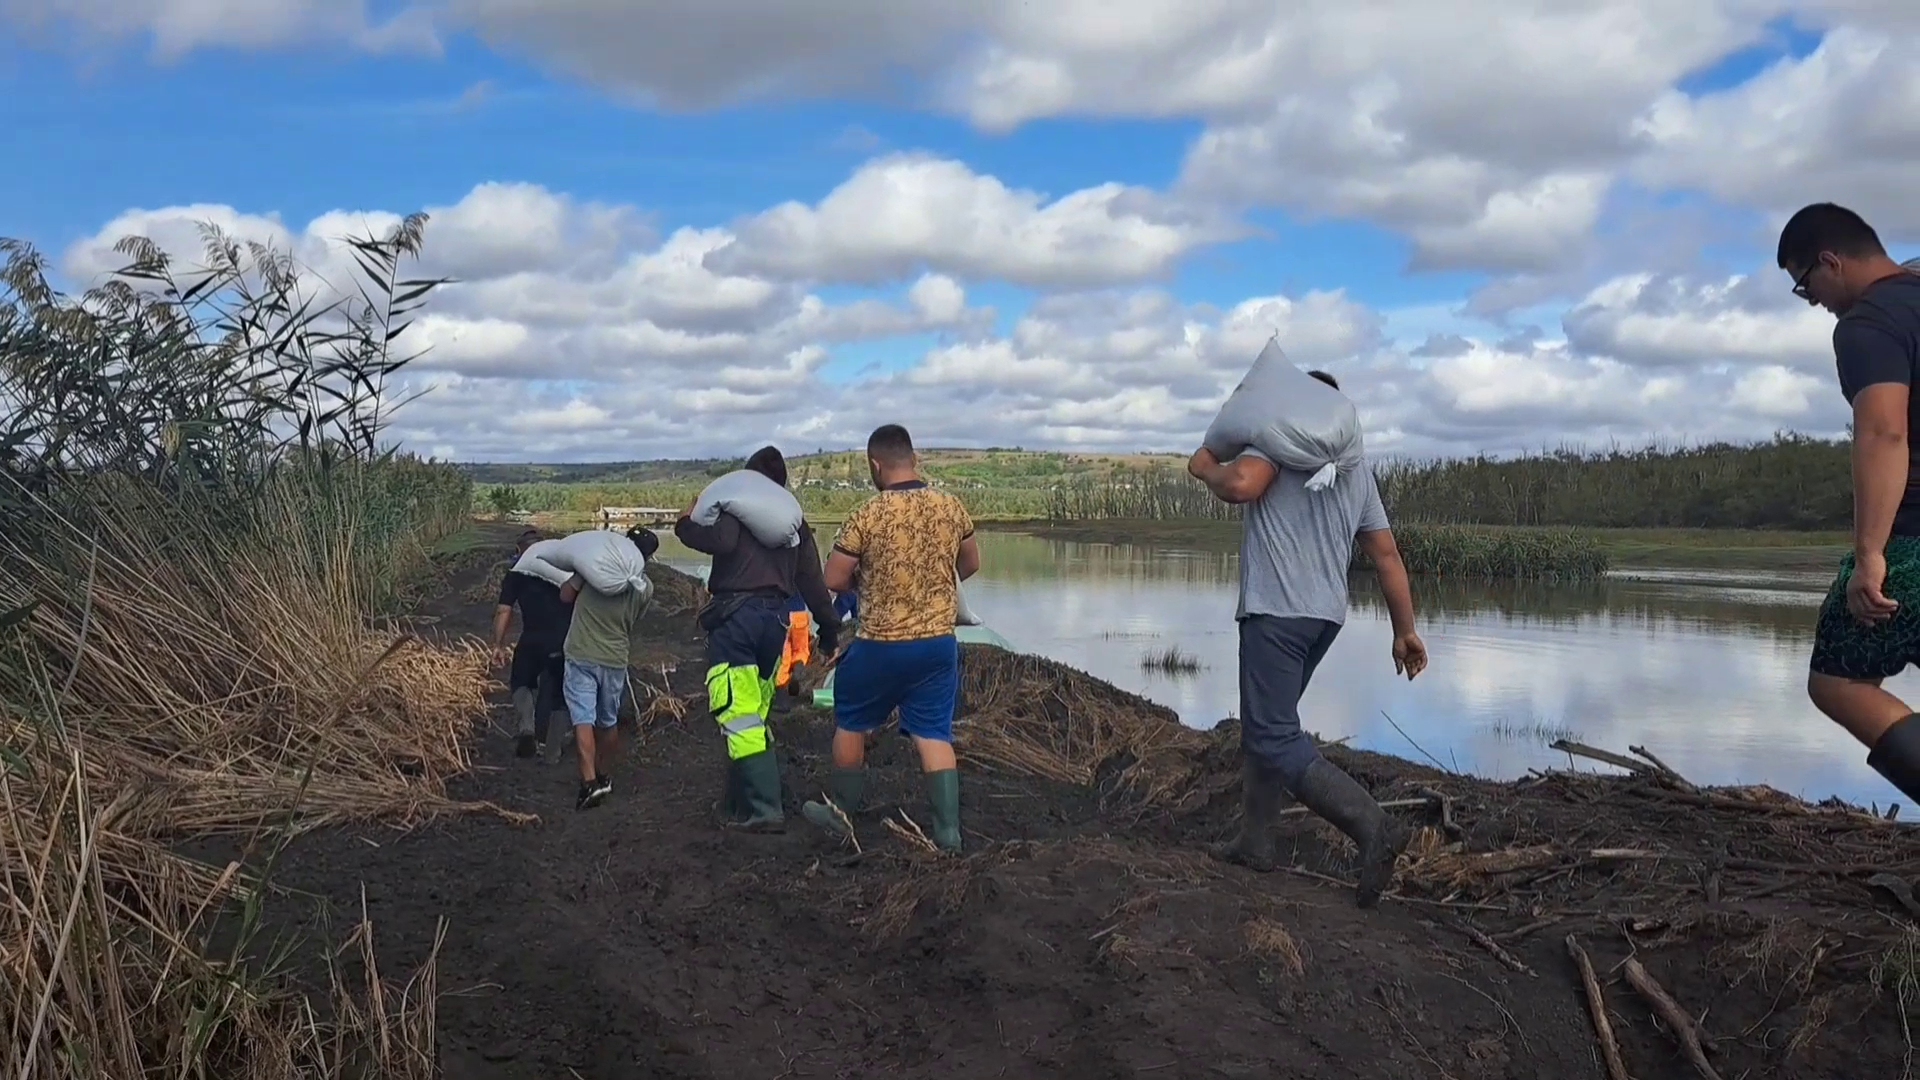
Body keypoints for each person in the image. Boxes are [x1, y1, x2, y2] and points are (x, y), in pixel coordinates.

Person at [1186, 368, 1428, 909]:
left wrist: (1205, 468)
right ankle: (1256, 841)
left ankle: (1374, 827)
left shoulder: (1277, 443)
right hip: (1322, 619)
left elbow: (1241, 485)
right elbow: (1386, 555)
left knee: (1273, 734)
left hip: (1276, 612)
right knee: (1267, 726)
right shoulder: (1353, 468)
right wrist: (1405, 631)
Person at [1777, 202, 1920, 804]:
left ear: (1831, 261)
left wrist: (1870, 555)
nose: (1809, 298)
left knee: (1838, 679)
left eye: (1803, 282)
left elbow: (1884, 433)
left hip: (1912, 535)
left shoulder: (1868, 324)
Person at [802, 424, 981, 853]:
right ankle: (948, 834)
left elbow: (833, 578)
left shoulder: (867, 515)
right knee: (934, 734)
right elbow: (971, 565)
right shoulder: (951, 507)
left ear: (875, 465)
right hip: (938, 646)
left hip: (879, 644)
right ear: (913, 458)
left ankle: (842, 815)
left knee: (851, 720)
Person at [675, 446, 840, 832]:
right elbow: (813, 581)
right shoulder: (793, 524)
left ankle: (765, 809)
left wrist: (684, 525)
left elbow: (722, 541)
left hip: (737, 618)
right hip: (774, 624)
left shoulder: (736, 508)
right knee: (755, 709)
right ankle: (738, 804)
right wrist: (830, 628)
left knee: (737, 709)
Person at [559, 528, 657, 811]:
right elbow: (634, 619)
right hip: (614, 658)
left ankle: (589, 783)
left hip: (581, 653)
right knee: (608, 720)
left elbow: (565, 596)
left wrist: (579, 572)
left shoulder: (592, 569)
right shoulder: (645, 588)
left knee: (583, 719)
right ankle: (603, 774)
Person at [490, 528, 574, 762]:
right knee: (560, 696)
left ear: (520, 551)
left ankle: (527, 725)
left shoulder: (516, 573)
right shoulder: (564, 571)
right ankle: (552, 752)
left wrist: (498, 644)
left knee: (520, 682)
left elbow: (503, 610)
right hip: (563, 640)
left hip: (531, 639)